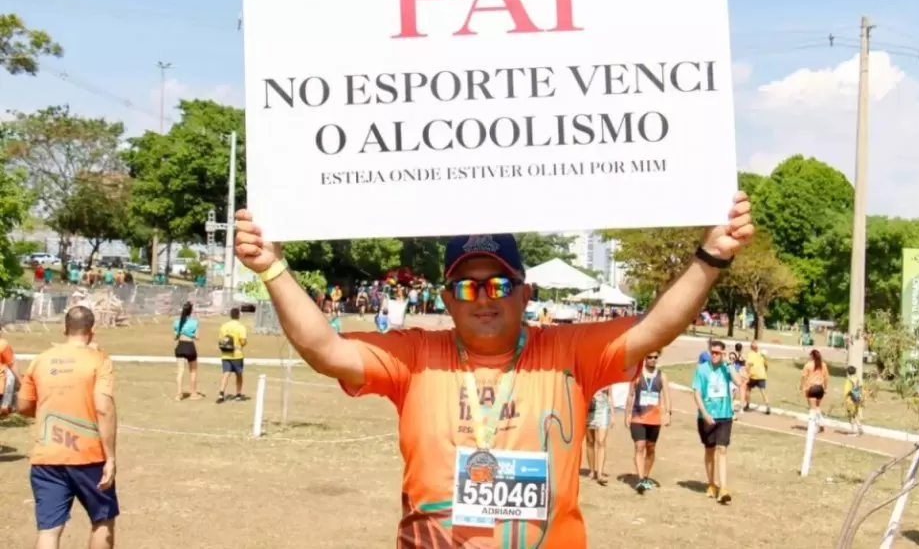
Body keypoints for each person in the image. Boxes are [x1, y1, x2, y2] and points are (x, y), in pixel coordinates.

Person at [232, 191, 754, 547]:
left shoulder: (569, 349)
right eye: (466, 286)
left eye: (499, 285)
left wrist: (712, 256)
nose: (484, 298)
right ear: (446, 298)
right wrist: (272, 268)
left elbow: (655, 327)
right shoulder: (415, 355)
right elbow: (325, 349)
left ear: (525, 292)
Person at [15, 306, 119, 549]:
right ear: (92, 331)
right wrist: (111, 458)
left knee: (49, 531)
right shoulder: (99, 359)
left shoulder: (40, 359)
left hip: (47, 457)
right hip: (89, 457)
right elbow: (103, 407)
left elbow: (23, 406)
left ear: (64, 329)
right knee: (103, 520)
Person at [692, 339, 741, 504]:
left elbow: (739, 382)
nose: (714, 355)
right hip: (706, 416)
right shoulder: (701, 369)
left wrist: (729, 364)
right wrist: (704, 413)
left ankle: (724, 487)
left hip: (725, 415)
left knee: (722, 449)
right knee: (709, 450)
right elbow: (697, 393)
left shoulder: (726, 368)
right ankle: (711, 483)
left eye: (717, 353)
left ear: (723, 353)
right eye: (712, 352)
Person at [625, 351, 670, 493]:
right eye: (649, 357)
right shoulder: (637, 375)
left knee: (651, 448)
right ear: (644, 358)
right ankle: (640, 480)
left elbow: (667, 396)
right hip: (638, 417)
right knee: (639, 446)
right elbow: (631, 395)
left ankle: (645, 477)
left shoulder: (662, 376)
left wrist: (668, 413)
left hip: (654, 419)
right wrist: (627, 414)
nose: (652, 360)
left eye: (655, 357)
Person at [216, 308, 248, 403]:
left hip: (225, 353)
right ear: (238, 315)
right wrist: (243, 344)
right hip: (237, 355)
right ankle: (238, 394)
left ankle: (221, 393)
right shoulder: (241, 327)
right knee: (239, 374)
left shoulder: (224, 326)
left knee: (226, 373)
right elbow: (243, 341)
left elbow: (221, 340)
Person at [173, 302, 202, 401]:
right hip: (189, 346)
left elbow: (175, 337)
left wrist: (182, 332)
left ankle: (178, 394)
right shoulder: (194, 322)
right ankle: (193, 393)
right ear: (191, 311)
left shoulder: (177, 322)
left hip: (180, 346)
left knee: (180, 371)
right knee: (193, 371)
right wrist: (190, 334)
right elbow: (197, 337)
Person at [584, 386, 612, 485]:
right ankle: (592, 471)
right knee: (590, 441)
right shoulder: (588, 374)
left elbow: (610, 396)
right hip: (588, 408)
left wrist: (612, 414)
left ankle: (600, 473)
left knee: (601, 441)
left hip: (603, 409)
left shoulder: (607, 375)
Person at [801, 349, 829, 432]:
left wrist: (802, 387)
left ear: (812, 356)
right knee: (817, 407)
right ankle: (820, 423)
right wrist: (825, 388)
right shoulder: (823, 365)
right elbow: (826, 377)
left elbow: (804, 377)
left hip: (812, 388)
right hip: (820, 388)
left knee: (813, 408)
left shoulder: (808, 365)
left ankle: (816, 424)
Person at [743, 341, 771, 414]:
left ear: (751, 347)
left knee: (748, 389)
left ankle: (747, 405)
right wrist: (764, 372)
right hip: (762, 375)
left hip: (753, 375)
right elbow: (766, 365)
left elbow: (748, 365)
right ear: (757, 348)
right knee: (763, 391)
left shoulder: (750, 355)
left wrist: (747, 375)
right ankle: (768, 405)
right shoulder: (761, 355)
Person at [0, 325, 20, 417]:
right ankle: (6, 405)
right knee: (10, 376)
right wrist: (21, 381)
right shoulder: (3, 344)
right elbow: (12, 364)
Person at [843, 365, 864, 436]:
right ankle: (853, 430)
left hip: (850, 399)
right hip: (858, 398)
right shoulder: (857, 379)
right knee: (855, 413)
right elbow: (861, 387)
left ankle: (859, 428)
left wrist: (845, 399)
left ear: (848, 373)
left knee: (852, 414)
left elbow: (846, 391)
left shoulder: (849, 380)